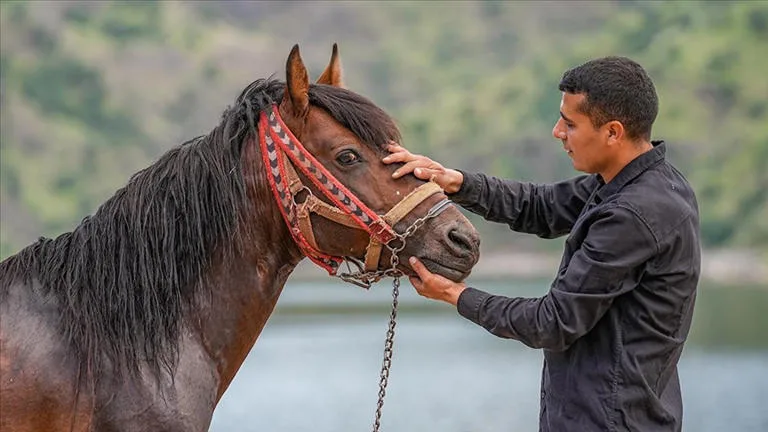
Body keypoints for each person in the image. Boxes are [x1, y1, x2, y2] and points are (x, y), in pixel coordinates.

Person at [383, 56, 701, 431]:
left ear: (613, 132)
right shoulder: (639, 182)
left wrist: (456, 294)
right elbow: (542, 206)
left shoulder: (634, 213)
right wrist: (455, 182)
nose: (557, 132)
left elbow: (552, 322)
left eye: (570, 124)